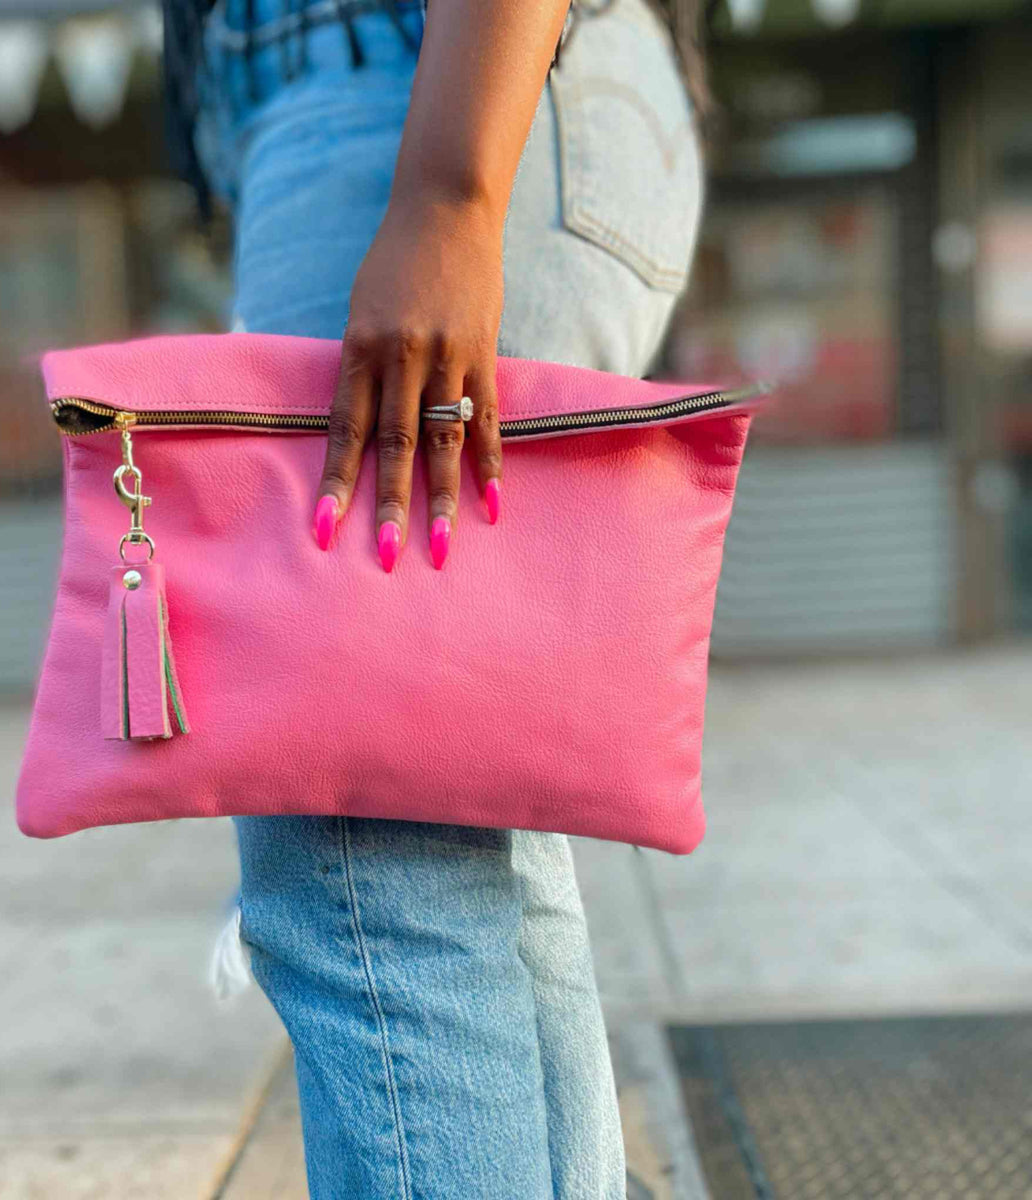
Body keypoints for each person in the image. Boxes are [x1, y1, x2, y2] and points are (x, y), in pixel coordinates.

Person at [163, 1, 708, 1195]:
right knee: (472, 851)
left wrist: (447, 197)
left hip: (430, 99)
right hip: (482, 105)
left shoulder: (428, 163)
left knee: (363, 856)